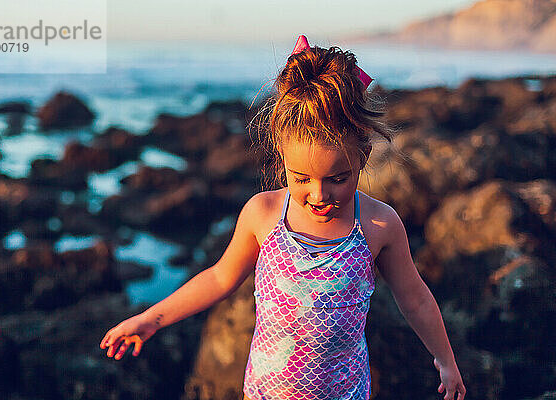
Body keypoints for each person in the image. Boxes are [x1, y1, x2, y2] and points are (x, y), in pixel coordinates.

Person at [99, 35, 467, 400]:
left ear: (363, 157)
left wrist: (445, 361)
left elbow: (415, 298)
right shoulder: (264, 214)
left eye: (338, 179)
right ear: (282, 156)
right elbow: (218, 278)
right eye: (301, 179)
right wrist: (151, 318)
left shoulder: (378, 224)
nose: (319, 195)